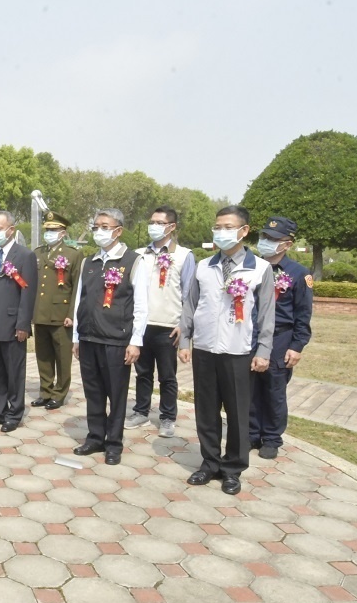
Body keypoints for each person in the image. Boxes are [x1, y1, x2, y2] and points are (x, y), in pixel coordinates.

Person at [178, 205, 276, 495]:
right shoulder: (204, 266)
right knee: (206, 411)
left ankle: (233, 468)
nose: (221, 232)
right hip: (206, 349)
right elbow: (190, 305)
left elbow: (266, 315)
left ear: (244, 231)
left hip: (239, 352)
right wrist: (185, 340)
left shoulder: (260, 269)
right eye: (217, 227)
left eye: (228, 227)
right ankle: (209, 463)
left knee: (237, 414)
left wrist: (264, 350)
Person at [71, 209, 150, 465]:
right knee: (93, 391)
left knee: (116, 394)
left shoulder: (134, 261)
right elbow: (79, 301)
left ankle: (114, 443)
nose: (98, 231)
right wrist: (76, 336)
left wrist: (136, 341)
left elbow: (141, 305)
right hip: (89, 337)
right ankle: (95, 437)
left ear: (118, 230)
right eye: (95, 226)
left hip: (117, 339)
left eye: (104, 226)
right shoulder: (89, 262)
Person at [128, 206, 197, 438]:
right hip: (142, 325)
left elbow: (189, 294)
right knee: (143, 372)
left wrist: (184, 327)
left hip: (169, 326)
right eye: (152, 221)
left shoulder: (184, 256)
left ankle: (168, 417)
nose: (153, 226)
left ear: (172, 226)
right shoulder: (140, 254)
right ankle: (141, 411)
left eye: (159, 223)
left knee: (167, 376)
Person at [249, 216, 313, 459]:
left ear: (286, 244)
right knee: (251, 388)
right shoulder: (252, 267)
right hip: (252, 336)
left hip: (280, 338)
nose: (267, 242)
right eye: (265, 237)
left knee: (274, 389)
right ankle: (251, 433)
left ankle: (272, 438)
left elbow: (303, 313)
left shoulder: (298, 273)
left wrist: (297, 346)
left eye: (273, 239)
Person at [0, 210, 37, 432]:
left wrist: (23, 324)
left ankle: (14, 413)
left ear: (11, 230)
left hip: (13, 325)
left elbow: (27, 294)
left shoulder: (25, 256)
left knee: (14, 372)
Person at [32, 211, 82, 410]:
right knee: (43, 355)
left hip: (61, 314)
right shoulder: (38, 253)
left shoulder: (73, 254)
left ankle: (59, 393)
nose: (49, 233)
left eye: (53, 230)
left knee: (62, 356)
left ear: (63, 232)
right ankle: (45, 390)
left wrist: (71, 314)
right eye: (47, 230)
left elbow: (77, 287)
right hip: (40, 312)